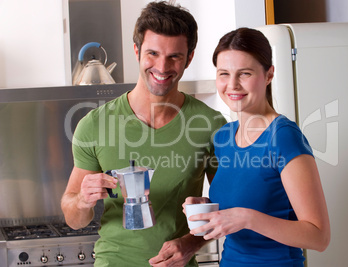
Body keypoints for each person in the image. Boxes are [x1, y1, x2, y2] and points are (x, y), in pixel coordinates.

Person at [61, 1, 226, 266]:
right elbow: (74, 219)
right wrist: (82, 200)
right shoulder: (94, 125)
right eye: (153, 54)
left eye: (174, 56)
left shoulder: (211, 124)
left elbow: (227, 207)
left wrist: (191, 243)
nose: (162, 67)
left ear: (190, 58)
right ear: (137, 51)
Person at [183, 27, 330, 266]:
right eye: (223, 74)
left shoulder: (283, 137)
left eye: (245, 74)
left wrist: (247, 217)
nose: (232, 85)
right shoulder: (223, 138)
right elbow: (243, 200)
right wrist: (207, 209)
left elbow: (319, 237)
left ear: (269, 74)